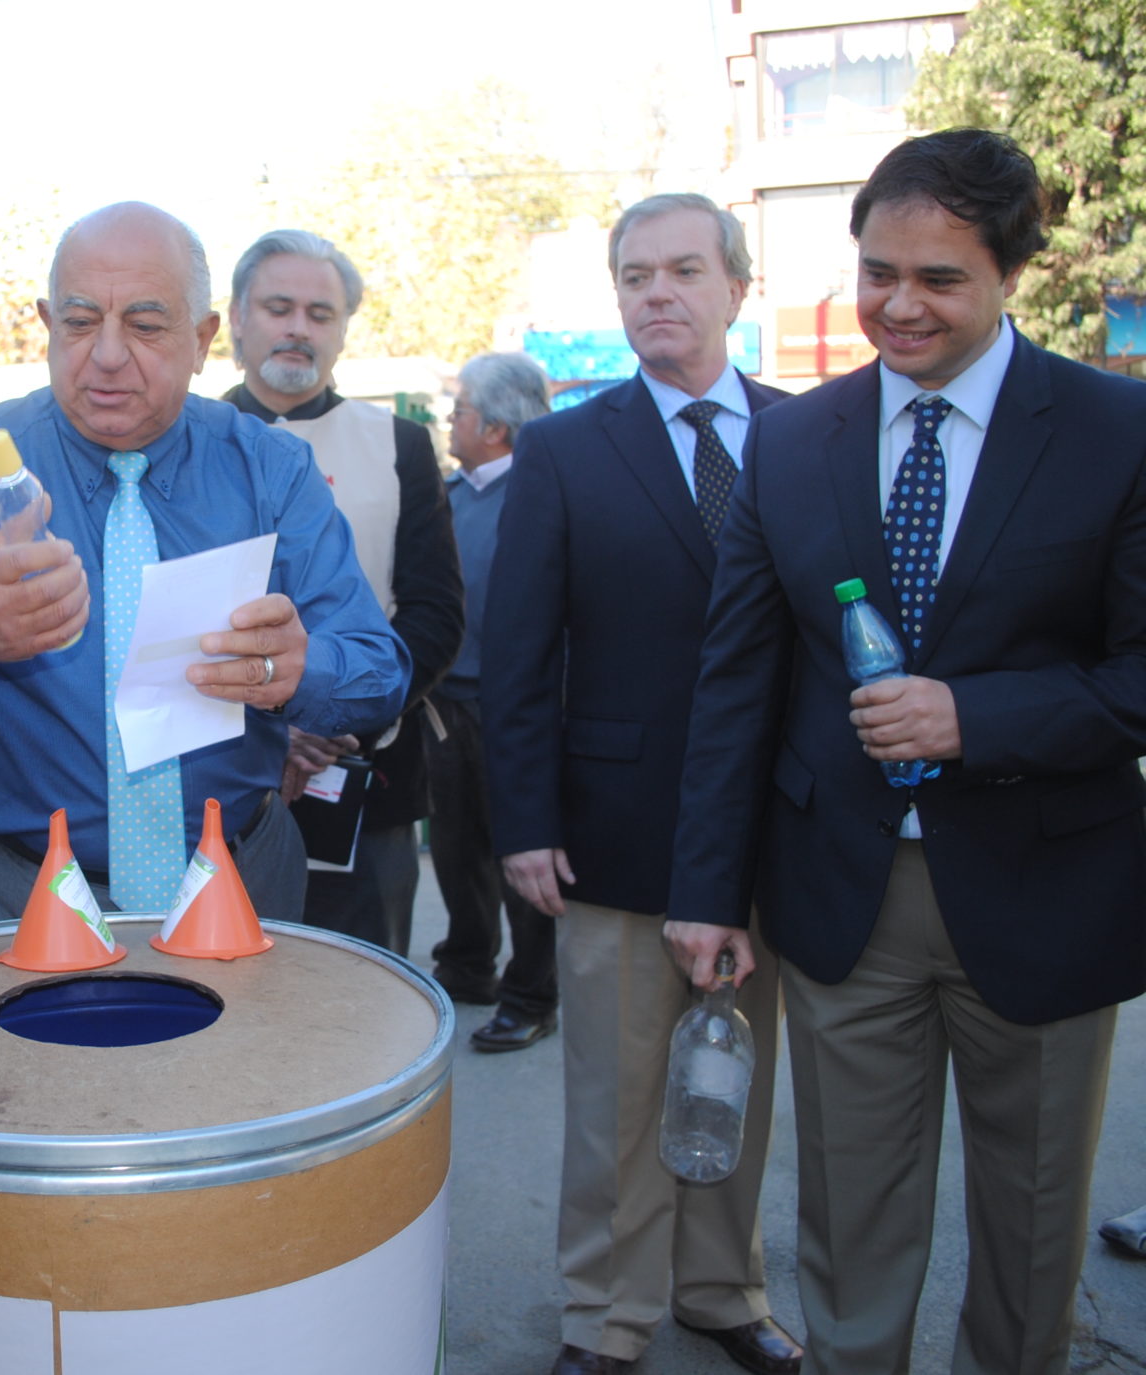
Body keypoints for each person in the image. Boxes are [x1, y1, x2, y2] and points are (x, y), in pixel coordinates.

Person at [667, 128, 1146, 1375]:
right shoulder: (791, 437)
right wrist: (707, 890)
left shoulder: (1115, 430)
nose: (896, 305)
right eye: (877, 271)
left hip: (1044, 895)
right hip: (840, 896)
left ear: (1008, 277)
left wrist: (971, 717)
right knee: (847, 1217)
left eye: (937, 279)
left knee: (1032, 1226)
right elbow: (736, 682)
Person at [0, 202, 410, 925]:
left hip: (241, 886)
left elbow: (380, 671)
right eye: (81, 321)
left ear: (203, 337)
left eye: (147, 325)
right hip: (24, 900)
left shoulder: (271, 472)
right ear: (47, 325)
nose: (109, 354)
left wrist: (297, 670)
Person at [479, 194, 801, 1375]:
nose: (653, 293)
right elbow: (515, 650)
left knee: (735, 1081)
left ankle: (722, 1292)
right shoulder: (563, 447)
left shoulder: (803, 433)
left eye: (678, 271)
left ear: (734, 287)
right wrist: (524, 821)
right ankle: (603, 1318)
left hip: (769, 831)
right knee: (616, 1101)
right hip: (611, 833)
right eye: (630, 276)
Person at [224, 229, 463, 956]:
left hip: (367, 776)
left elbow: (435, 613)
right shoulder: (182, 440)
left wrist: (343, 715)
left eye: (321, 313)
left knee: (364, 1008)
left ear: (343, 329)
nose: (299, 328)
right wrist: (273, 729)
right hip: (219, 781)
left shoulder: (400, 445)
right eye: (279, 307)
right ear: (236, 318)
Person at [425, 352, 559, 1051]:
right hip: (446, 702)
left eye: (462, 410)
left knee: (522, 853)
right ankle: (467, 963)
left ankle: (532, 992)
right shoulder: (447, 491)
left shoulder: (543, 491)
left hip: (517, 708)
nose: (453, 421)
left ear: (499, 427)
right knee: (454, 845)